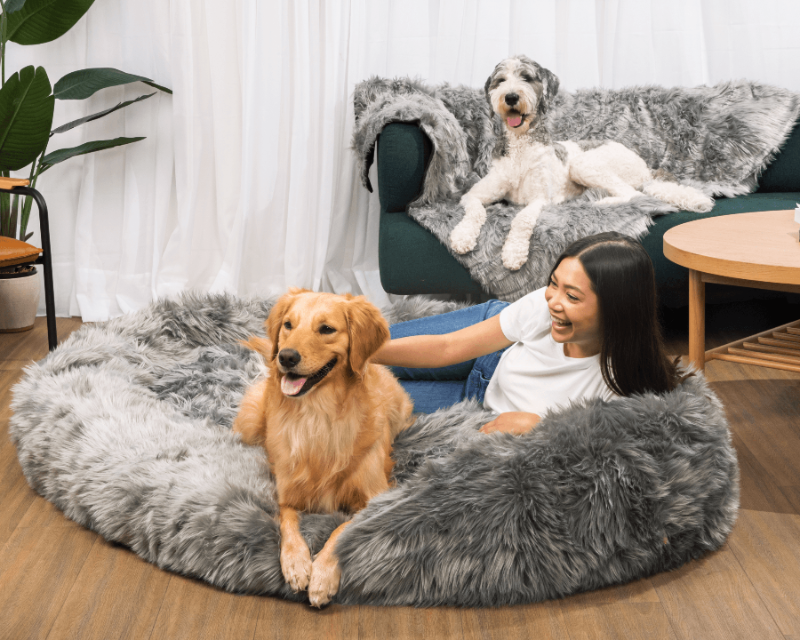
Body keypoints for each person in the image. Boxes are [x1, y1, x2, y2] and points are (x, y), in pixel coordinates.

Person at [373, 231, 684, 435]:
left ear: (617, 310)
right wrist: (356, 349)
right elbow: (447, 348)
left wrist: (540, 426)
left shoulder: (619, 390)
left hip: (478, 403)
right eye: (553, 283)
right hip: (493, 347)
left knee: (358, 396)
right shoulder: (541, 306)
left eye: (572, 297)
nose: (553, 302)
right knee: (360, 350)